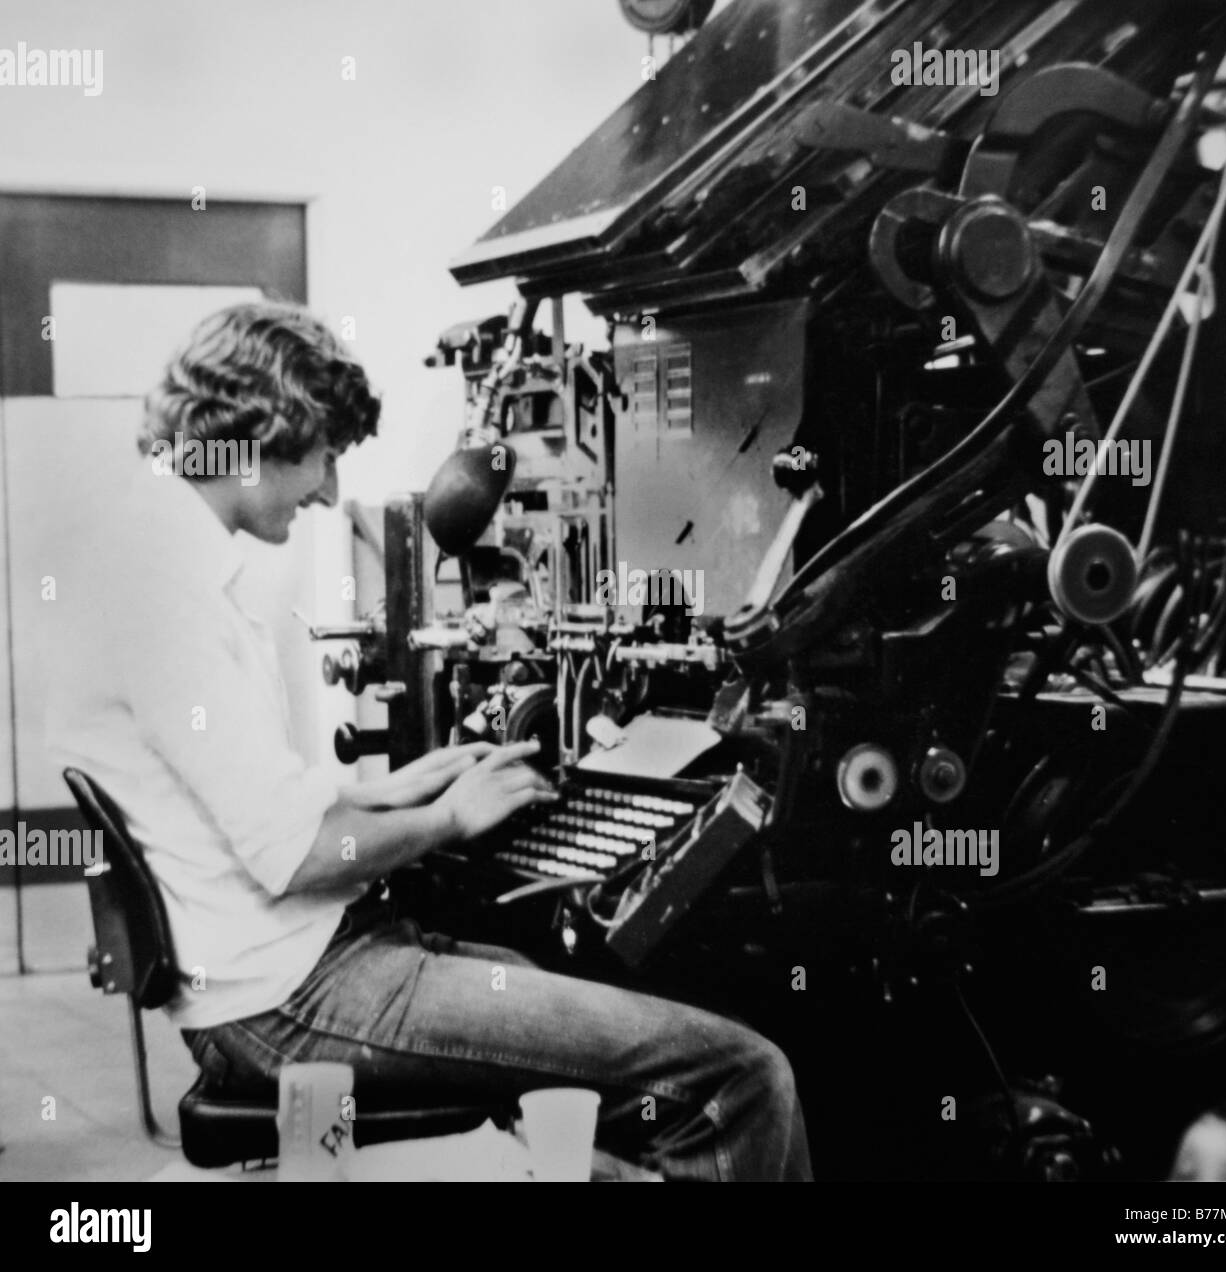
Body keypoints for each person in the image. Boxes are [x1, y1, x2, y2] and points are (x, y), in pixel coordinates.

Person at [46, 301, 811, 1182]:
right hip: (293, 998)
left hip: (286, 969)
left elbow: (258, 807)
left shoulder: (157, 558)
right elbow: (293, 853)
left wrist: (401, 788)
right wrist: (450, 817)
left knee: (585, 1003)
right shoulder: (167, 597)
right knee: (739, 1074)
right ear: (264, 432)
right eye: (325, 458)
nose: (331, 491)